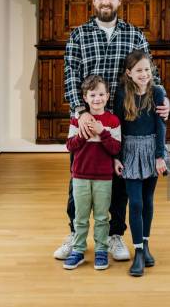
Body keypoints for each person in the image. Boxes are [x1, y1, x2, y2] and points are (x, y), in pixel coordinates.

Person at [55, 0, 170, 261]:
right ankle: (75, 233)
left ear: (119, 1)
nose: (105, 1)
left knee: (118, 180)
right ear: (93, 1)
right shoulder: (78, 35)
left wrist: (162, 99)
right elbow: (70, 74)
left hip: (123, 120)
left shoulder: (135, 35)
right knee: (78, 176)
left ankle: (115, 234)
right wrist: (80, 113)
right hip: (86, 118)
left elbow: (148, 71)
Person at [113, 50, 169, 277]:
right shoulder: (121, 93)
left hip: (152, 151)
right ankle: (137, 251)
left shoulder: (157, 93)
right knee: (134, 203)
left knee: (147, 200)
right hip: (129, 151)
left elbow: (161, 127)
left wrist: (159, 156)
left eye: (147, 69)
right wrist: (116, 156)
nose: (144, 74)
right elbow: (117, 126)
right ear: (129, 73)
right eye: (138, 70)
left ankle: (145, 244)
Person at [63, 75, 121, 270]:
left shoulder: (112, 121)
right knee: (80, 217)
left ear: (108, 96)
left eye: (101, 94)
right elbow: (70, 146)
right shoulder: (76, 120)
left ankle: (101, 251)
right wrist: (83, 133)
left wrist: (101, 131)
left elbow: (115, 148)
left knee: (102, 217)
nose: (97, 99)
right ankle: (78, 250)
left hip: (104, 178)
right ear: (85, 98)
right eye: (93, 94)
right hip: (80, 176)